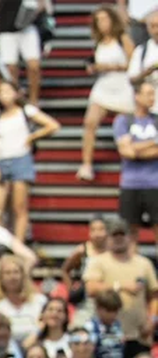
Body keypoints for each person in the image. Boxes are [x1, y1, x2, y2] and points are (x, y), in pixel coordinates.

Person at [0, 81, 59, 243]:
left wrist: (32, 137)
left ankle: (18, 243)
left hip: (21, 158)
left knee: (19, 207)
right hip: (1, 160)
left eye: (8, 91)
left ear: (16, 93)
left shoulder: (26, 111)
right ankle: (1, 240)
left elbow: (52, 125)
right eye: (1, 92)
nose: (5, 95)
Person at [80, 6, 137, 181]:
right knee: (90, 122)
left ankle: (132, 163)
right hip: (103, 86)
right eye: (98, 20)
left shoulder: (123, 38)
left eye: (105, 18)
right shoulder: (98, 42)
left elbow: (134, 62)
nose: (102, 23)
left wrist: (112, 67)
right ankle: (86, 165)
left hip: (123, 85)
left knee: (128, 128)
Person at [114, 80, 158, 250]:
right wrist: (152, 142)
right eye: (148, 94)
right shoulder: (124, 120)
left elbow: (131, 149)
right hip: (131, 184)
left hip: (155, 183)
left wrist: (135, 147)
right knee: (130, 232)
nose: (152, 98)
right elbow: (126, 152)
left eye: (153, 94)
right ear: (137, 96)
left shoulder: (156, 120)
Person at [0, 0, 47, 102]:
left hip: (27, 28)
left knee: (34, 66)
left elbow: (41, 4)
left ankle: (34, 100)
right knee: (11, 68)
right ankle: (15, 99)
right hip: (6, 29)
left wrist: (32, 12)